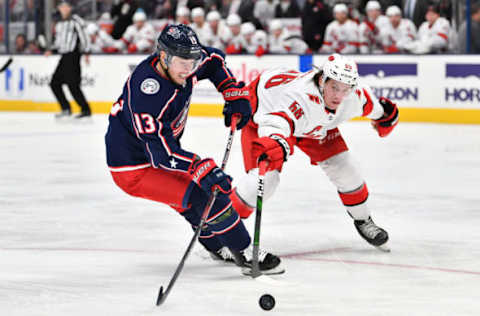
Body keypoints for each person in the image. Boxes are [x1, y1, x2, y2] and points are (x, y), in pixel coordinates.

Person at [104, 24, 284, 275]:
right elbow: (161, 154)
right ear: (164, 57)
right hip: (133, 167)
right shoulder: (147, 95)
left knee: (192, 201)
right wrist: (200, 167)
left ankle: (216, 245)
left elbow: (213, 60)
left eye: (192, 61)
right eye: (183, 62)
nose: (189, 69)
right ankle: (245, 252)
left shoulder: (180, 64)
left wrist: (231, 91)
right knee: (205, 195)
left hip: (156, 153)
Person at [229, 54, 399, 251]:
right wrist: (274, 141)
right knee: (265, 181)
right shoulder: (300, 97)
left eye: (345, 89)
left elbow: (375, 108)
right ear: (321, 80)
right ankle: (223, 233)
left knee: (345, 168)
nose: (338, 96)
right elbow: (277, 121)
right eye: (334, 87)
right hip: (263, 114)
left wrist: (386, 117)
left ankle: (363, 220)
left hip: (312, 126)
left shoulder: (353, 98)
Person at [45, 0, 92, 120]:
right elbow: (59, 42)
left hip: (73, 55)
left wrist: (86, 52)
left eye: (66, 7)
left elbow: (84, 36)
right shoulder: (59, 23)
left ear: (70, 8)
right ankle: (66, 108)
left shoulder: (75, 20)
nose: (64, 9)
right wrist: (52, 50)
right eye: (62, 7)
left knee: (73, 84)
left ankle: (85, 109)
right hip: (64, 56)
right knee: (54, 83)